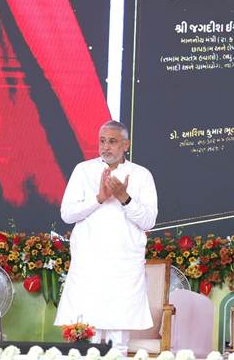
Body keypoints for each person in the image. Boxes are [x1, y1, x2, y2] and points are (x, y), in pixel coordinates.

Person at [55, 120, 158, 354]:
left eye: (112, 141)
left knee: (118, 343)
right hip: (89, 266)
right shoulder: (83, 170)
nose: (106, 147)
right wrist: (99, 198)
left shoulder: (141, 175)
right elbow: (67, 214)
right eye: (102, 141)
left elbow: (148, 221)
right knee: (85, 339)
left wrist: (124, 198)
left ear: (126, 145)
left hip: (123, 267)